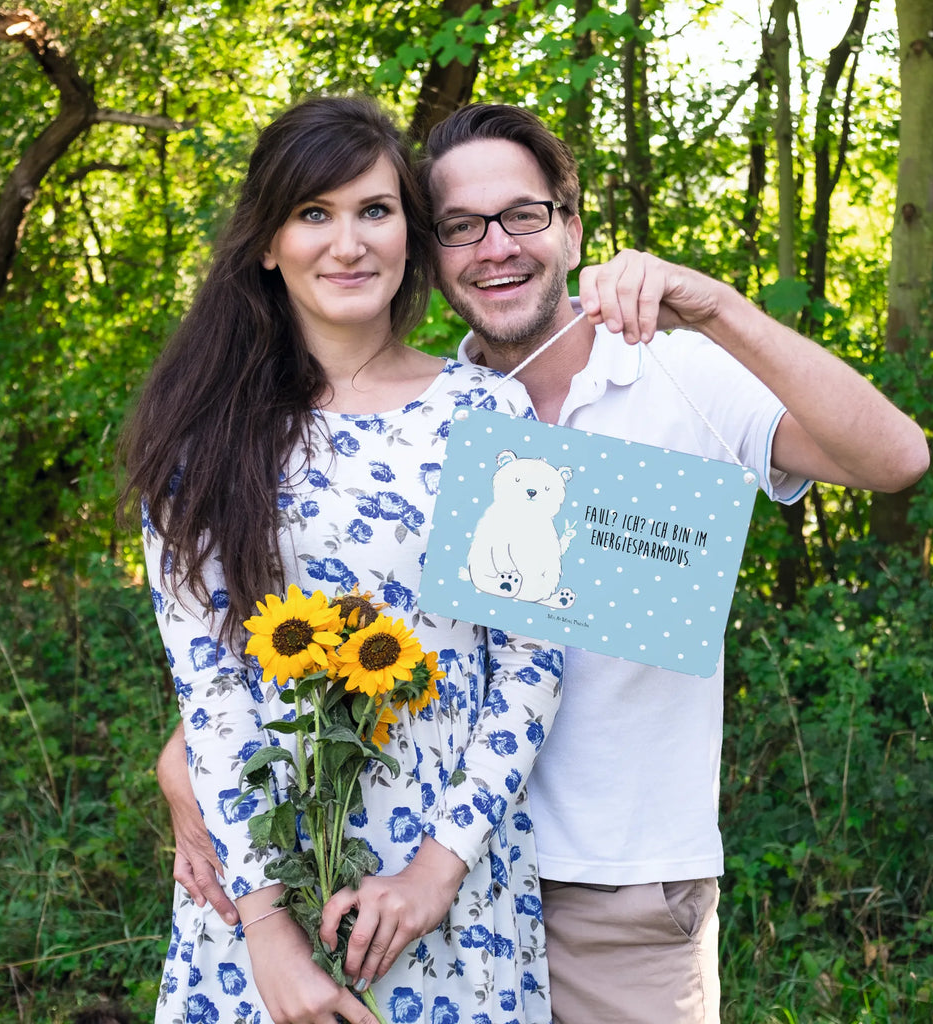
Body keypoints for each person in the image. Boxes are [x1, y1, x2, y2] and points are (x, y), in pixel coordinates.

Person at [160, 103, 930, 1024]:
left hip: (610, 888)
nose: (495, 247)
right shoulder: (427, 414)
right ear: (432, 249)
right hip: (385, 874)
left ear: (571, 226)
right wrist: (190, 757)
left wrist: (715, 305)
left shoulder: (668, 375)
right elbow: (301, 626)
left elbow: (897, 460)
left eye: (522, 215)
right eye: (461, 226)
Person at [121, 96, 569, 1024]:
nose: (349, 243)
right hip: (262, 878)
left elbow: (531, 664)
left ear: (411, 231)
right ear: (267, 242)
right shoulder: (202, 438)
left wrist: (436, 873)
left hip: (449, 881)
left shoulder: (487, 412)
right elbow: (211, 690)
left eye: (375, 210)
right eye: (313, 213)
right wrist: (269, 935)